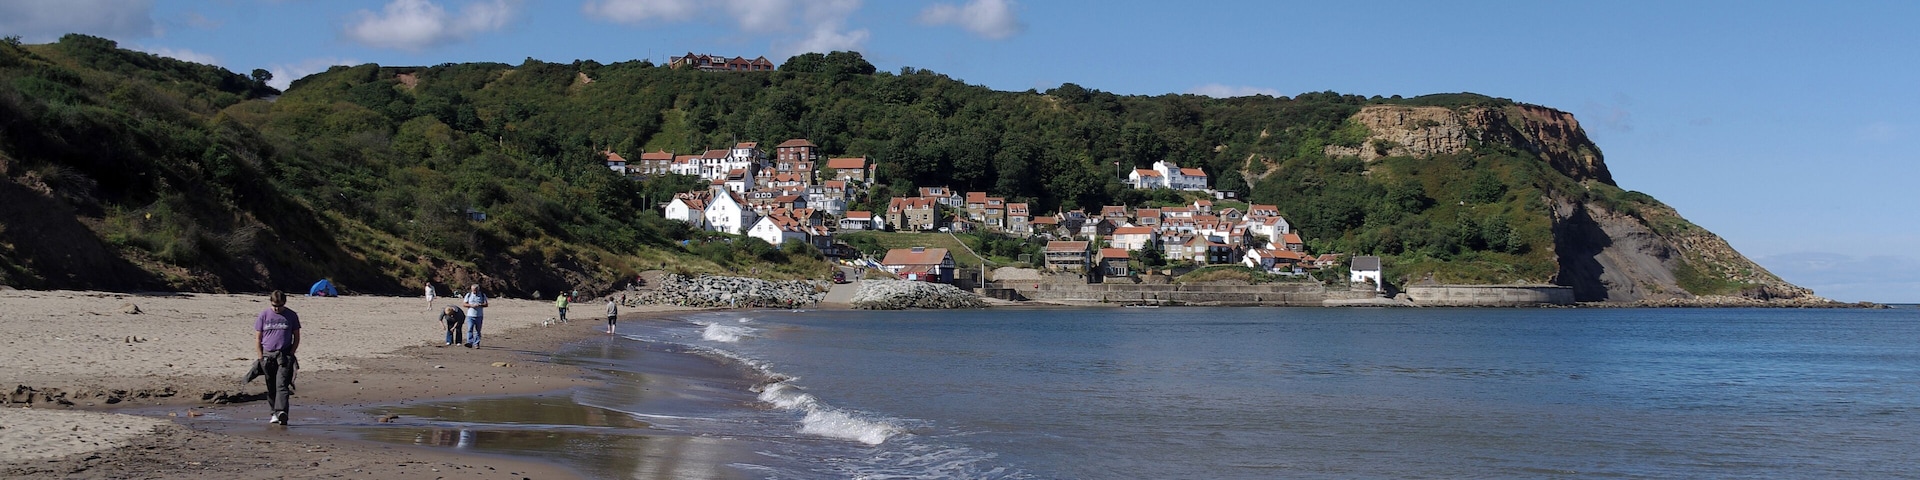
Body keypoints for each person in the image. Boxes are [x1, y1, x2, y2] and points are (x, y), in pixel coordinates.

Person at [255, 290, 300, 425]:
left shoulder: (291, 315)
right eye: (274, 305)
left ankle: (281, 412)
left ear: (284, 303)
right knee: (271, 386)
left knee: (282, 385)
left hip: (284, 355)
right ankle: (273, 413)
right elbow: (258, 338)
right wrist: (260, 357)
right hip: (268, 355)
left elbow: (296, 337)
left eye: (279, 306)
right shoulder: (263, 315)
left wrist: (291, 353)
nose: (277, 308)